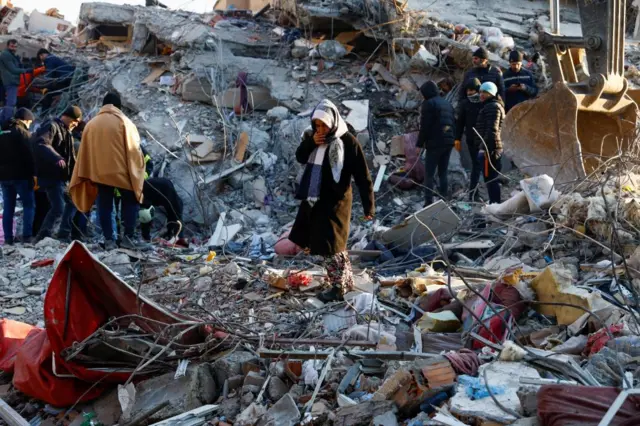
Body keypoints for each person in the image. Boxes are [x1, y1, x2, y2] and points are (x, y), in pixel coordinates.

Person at [288, 99, 374, 303]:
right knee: (325, 244)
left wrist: (368, 205)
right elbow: (300, 156)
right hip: (314, 199)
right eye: (317, 125)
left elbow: (363, 176)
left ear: (333, 121)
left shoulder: (348, 142)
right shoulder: (312, 139)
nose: (321, 129)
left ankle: (338, 288)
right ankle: (343, 281)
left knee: (332, 245)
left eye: (324, 125)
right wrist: (311, 143)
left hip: (336, 201)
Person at [69, 92, 147, 250]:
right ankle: (128, 238)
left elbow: (84, 153)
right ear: (119, 106)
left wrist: (88, 173)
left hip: (100, 174)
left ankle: (109, 240)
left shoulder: (91, 124)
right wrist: (137, 172)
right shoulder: (125, 122)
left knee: (104, 205)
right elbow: (134, 151)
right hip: (122, 173)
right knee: (130, 202)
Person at [32, 106, 82, 241]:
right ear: (68, 117)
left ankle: (63, 234)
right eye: (75, 121)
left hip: (61, 178)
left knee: (73, 202)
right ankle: (42, 236)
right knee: (58, 208)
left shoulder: (66, 132)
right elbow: (42, 144)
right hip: (51, 176)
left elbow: (71, 159)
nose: (76, 124)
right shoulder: (51, 126)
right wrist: (57, 157)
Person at [417, 81, 456, 206]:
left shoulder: (428, 104)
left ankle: (428, 202)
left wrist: (419, 144)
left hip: (435, 142)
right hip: (449, 141)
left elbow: (425, 126)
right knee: (443, 172)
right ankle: (444, 199)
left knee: (429, 173)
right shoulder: (447, 103)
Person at [0, 108, 35, 244]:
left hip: (4, 177)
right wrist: (33, 174)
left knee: (8, 207)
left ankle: (8, 239)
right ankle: (27, 237)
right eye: (30, 122)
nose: (30, 125)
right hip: (21, 176)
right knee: (29, 205)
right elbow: (30, 155)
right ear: (25, 119)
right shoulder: (22, 132)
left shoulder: (2, 132)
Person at [475, 82, 505, 204]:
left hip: (490, 149)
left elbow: (492, 130)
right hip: (491, 147)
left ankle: (495, 204)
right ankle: (494, 203)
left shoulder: (492, 107)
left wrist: (484, 148)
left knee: (491, 178)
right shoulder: (490, 106)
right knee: (491, 178)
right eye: (481, 92)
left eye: (485, 92)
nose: (481, 95)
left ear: (491, 93)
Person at [455, 78, 484, 201]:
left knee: (485, 167)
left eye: (471, 90)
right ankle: (474, 194)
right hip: (472, 140)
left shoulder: (485, 102)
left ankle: (482, 193)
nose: (469, 93)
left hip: (485, 140)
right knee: (476, 167)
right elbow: (460, 123)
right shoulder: (465, 104)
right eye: (467, 90)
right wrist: (457, 138)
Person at [140, 177, 187, 246]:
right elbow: (177, 221)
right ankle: (146, 237)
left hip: (152, 186)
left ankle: (169, 235)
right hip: (151, 188)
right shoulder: (173, 201)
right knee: (146, 213)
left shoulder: (174, 202)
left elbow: (176, 220)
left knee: (174, 216)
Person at [0, 40, 32, 123]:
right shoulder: (5, 54)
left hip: (11, 81)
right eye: (12, 46)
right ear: (7, 46)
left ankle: (4, 119)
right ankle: (6, 121)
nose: (14, 48)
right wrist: (25, 70)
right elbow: (13, 69)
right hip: (10, 81)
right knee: (11, 102)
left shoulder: (11, 55)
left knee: (10, 102)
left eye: (15, 46)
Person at [36, 49, 76, 113]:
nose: (42, 61)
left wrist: (40, 83)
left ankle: (43, 113)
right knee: (53, 91)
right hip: (69, 78)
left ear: (41, 55)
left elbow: (49, 76)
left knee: (48, 93)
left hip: (65, 79)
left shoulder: (48, 59)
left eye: (40, 58)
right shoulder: (54, 57)